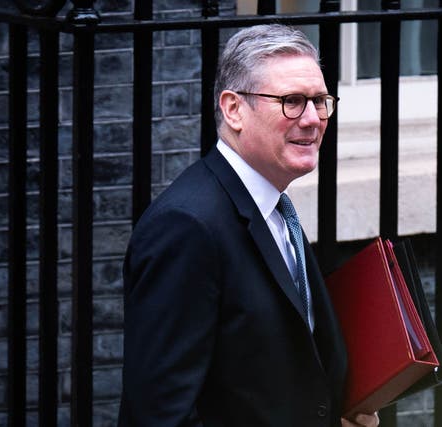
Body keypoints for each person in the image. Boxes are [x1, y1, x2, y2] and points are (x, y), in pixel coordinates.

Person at [118, 24, 380, 427]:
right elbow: (160, 414)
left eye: (320, 101)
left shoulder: (274, 207)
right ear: (233, 109)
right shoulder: (186, 227)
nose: (312, 119)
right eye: (292, 101)